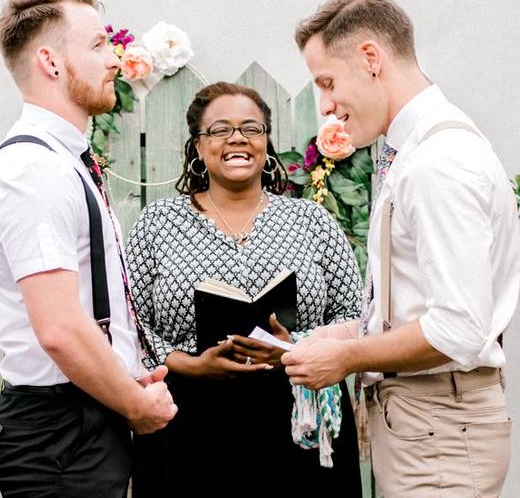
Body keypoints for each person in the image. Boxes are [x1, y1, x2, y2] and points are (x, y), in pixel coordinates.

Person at [283, 0, 520, 497]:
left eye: (327, 82)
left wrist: (349, 359)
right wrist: (345, 336)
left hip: (439, 430)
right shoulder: (417, 152)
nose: (326, 107)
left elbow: (457, 328)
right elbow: (420, 307)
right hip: (427, 424)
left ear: (371, 58)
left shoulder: (439, 163)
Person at [0, 0, 177, 498]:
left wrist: (126, 379)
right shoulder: (33, 170)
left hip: (82, 417)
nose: (114, 58)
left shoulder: (61, 160)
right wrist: (135, 405)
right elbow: (60, 328)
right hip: (59, 431)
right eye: (97, 46)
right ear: (51, 61)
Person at [127, 82, 364, 497]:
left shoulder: (310, 219)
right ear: (198, 147)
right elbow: (134, 324)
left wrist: (301, 345)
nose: (237, 138)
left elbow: (355, 315)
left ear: (266, 143)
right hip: (191, 420)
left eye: (251, 129)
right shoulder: (157, 223)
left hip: (297, 412)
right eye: (220, 130)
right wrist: (190, 364)